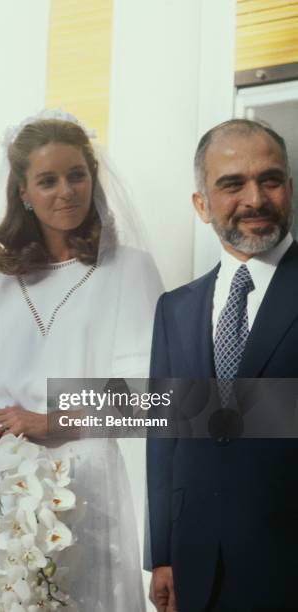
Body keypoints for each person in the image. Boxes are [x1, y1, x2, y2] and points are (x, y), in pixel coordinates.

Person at [0, 110, 162, 611]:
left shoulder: (129, 269)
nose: (66, 191)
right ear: (23, 192)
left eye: (77, 175)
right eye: (48, 180)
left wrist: (47, 420)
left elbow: (147, 395)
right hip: (8, 477)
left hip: (88, 480)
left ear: (93, 179)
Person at [146, 119, 298, 612]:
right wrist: (163, 556)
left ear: (290, 188)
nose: (255, 198)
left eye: (270, 180)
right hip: (198, 569)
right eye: (232, 184)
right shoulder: (175, 309)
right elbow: (163, 436)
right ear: (201, 204)